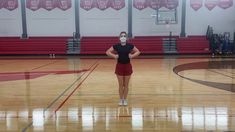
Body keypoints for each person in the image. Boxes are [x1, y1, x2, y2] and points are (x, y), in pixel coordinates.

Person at [106, 31, 140, 106]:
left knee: (126, 85)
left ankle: (125, 100)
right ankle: (121, 100)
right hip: (119, 66)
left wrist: (132, 56)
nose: (123, 37)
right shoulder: (116, 46)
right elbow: (107, 52)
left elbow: (138, 51)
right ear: (119, 38)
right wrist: (114, 56)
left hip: (127, 66)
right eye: (121, 36)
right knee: (121, 85)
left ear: (127, 38)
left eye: (124, 36)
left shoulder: (130, 45)